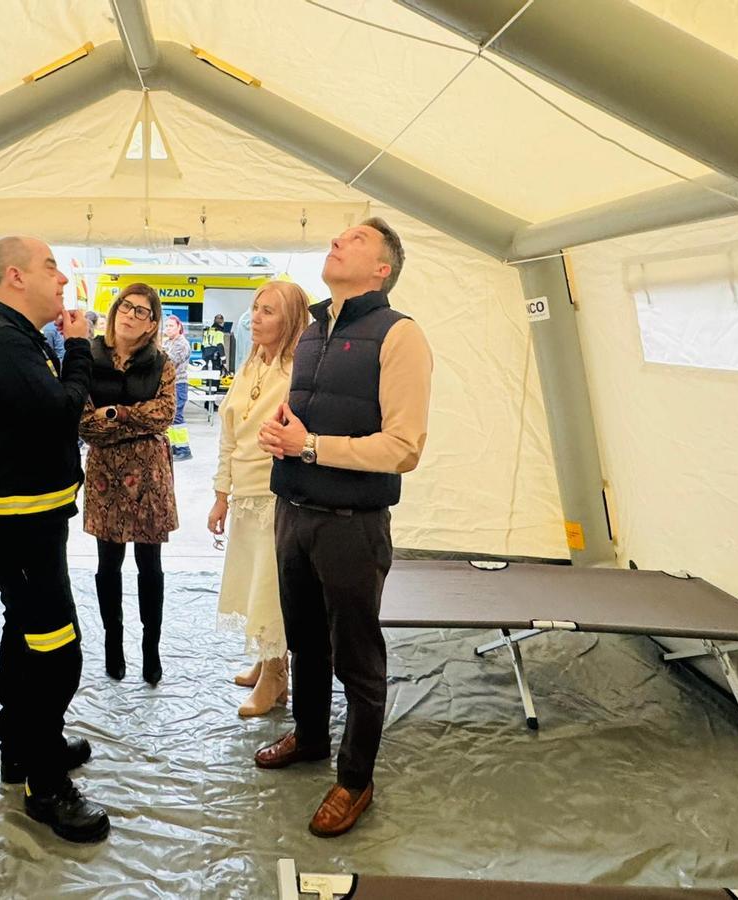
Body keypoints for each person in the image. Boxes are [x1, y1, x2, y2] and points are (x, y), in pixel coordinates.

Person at [255, 218, 433, 838]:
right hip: (294, 513)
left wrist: (308, 446)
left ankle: (355, 779)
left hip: (352, 525)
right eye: (340, 236)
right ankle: (309, 736)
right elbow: (311, 419)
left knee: (357, 658)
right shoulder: (314, 330)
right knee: (305, 640)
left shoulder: (400, 335)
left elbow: (403, 448)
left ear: (382, 269)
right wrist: (285, 431)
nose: (339, 241)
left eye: (357, 240)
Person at [0, 235, 109, 844]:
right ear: (15, 277)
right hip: (22, 529)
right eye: (50, 268)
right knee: (58, 651)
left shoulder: (9, 338)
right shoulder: (3, 340)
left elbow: (9, 428)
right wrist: (82, 348)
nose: (62, 279)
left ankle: (21, 749)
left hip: (24, 521)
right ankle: (45, 787)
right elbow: (59, 413)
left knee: (24, 633)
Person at [208, 281, 310, 717]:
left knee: (271, 589)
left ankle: (276, 676)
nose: (256, 318)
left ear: (289, 321)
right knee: (254, 583)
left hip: (276, 495)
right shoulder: (251, 365)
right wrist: (221, 495)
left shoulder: (297, 372)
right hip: (246, 494)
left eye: (268, 311)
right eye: (255, 308)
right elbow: (229, 435)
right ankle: (269, 658)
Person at [79, 283, 178, 685]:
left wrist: (115, 414)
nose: (131, 315)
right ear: (114, 309)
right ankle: (112, 644)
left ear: (152, 323)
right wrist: (134, 420)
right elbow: (83, 422)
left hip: (150, 478)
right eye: (126, 306)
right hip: (105, 477)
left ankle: (151, 648)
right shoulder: (88, 357)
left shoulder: (162, 363)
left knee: (149, 565)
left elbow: (165, 414)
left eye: (142, 311)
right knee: (108, 565)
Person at [161, 314, 193, 461]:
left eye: (171, 326)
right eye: (166, 326)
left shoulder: (182, 344)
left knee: (177, 416)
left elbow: (169, 362)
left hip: (179, 384)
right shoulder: (167, 343)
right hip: (168, 384)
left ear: (179, 327)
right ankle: (174, 446)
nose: (168, 329)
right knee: (171, 416)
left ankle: (184, 449)